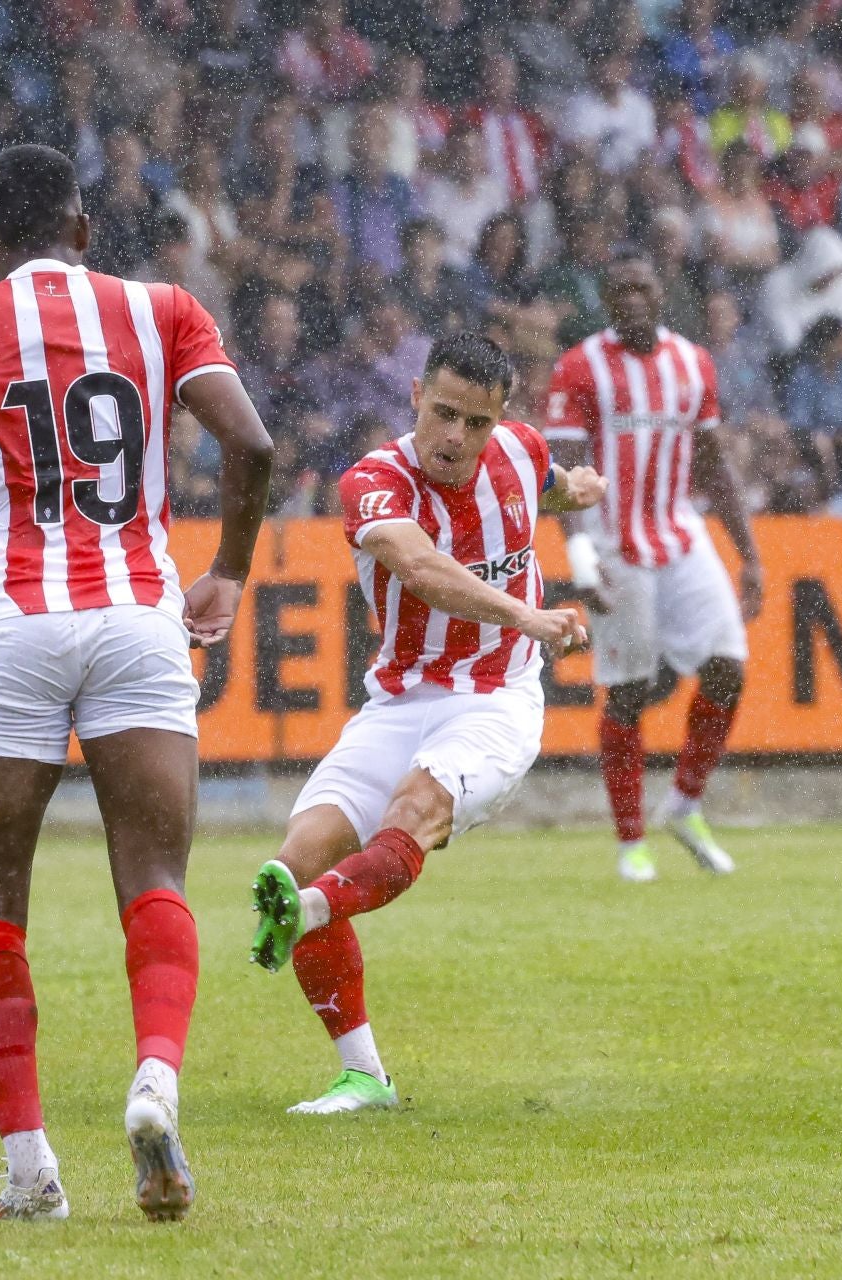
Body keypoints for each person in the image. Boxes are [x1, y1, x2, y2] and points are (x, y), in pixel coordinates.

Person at [0, 143, 275, 1223]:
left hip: (11, 625)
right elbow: (251, 443)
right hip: (139, 616)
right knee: (154, 873)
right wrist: (229, 570)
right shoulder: (164, 311)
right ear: (85, 228)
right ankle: (155, 1077)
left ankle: (30, 1169)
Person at [246, 333, 601, 1114]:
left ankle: (310, 911)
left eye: (476, 423)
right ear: (414, 396)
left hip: (498, 700)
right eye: (443, 414)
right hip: (401, 700)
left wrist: (577, 487)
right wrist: (526, 612)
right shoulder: (373, 481)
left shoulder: (518, 450)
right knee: (298, 858)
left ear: (500, 419)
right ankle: (364, 1075)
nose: (456, 438)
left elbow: (545, 486)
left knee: (411, 812)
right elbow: (421, 569)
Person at [544, 250, 763, 883]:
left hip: (680, 533)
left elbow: (714, 462)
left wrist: (748, 554)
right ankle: (629, 841)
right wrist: (581, 560)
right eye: (621, 290)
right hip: (614, 542)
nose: (634, 298)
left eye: (644, 286)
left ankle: (685, 805)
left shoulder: (692, 363)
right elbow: (561, 471)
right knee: (631, 692)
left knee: (728, 668)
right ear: (608, 301)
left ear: (661, 293)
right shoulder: (580, 367)